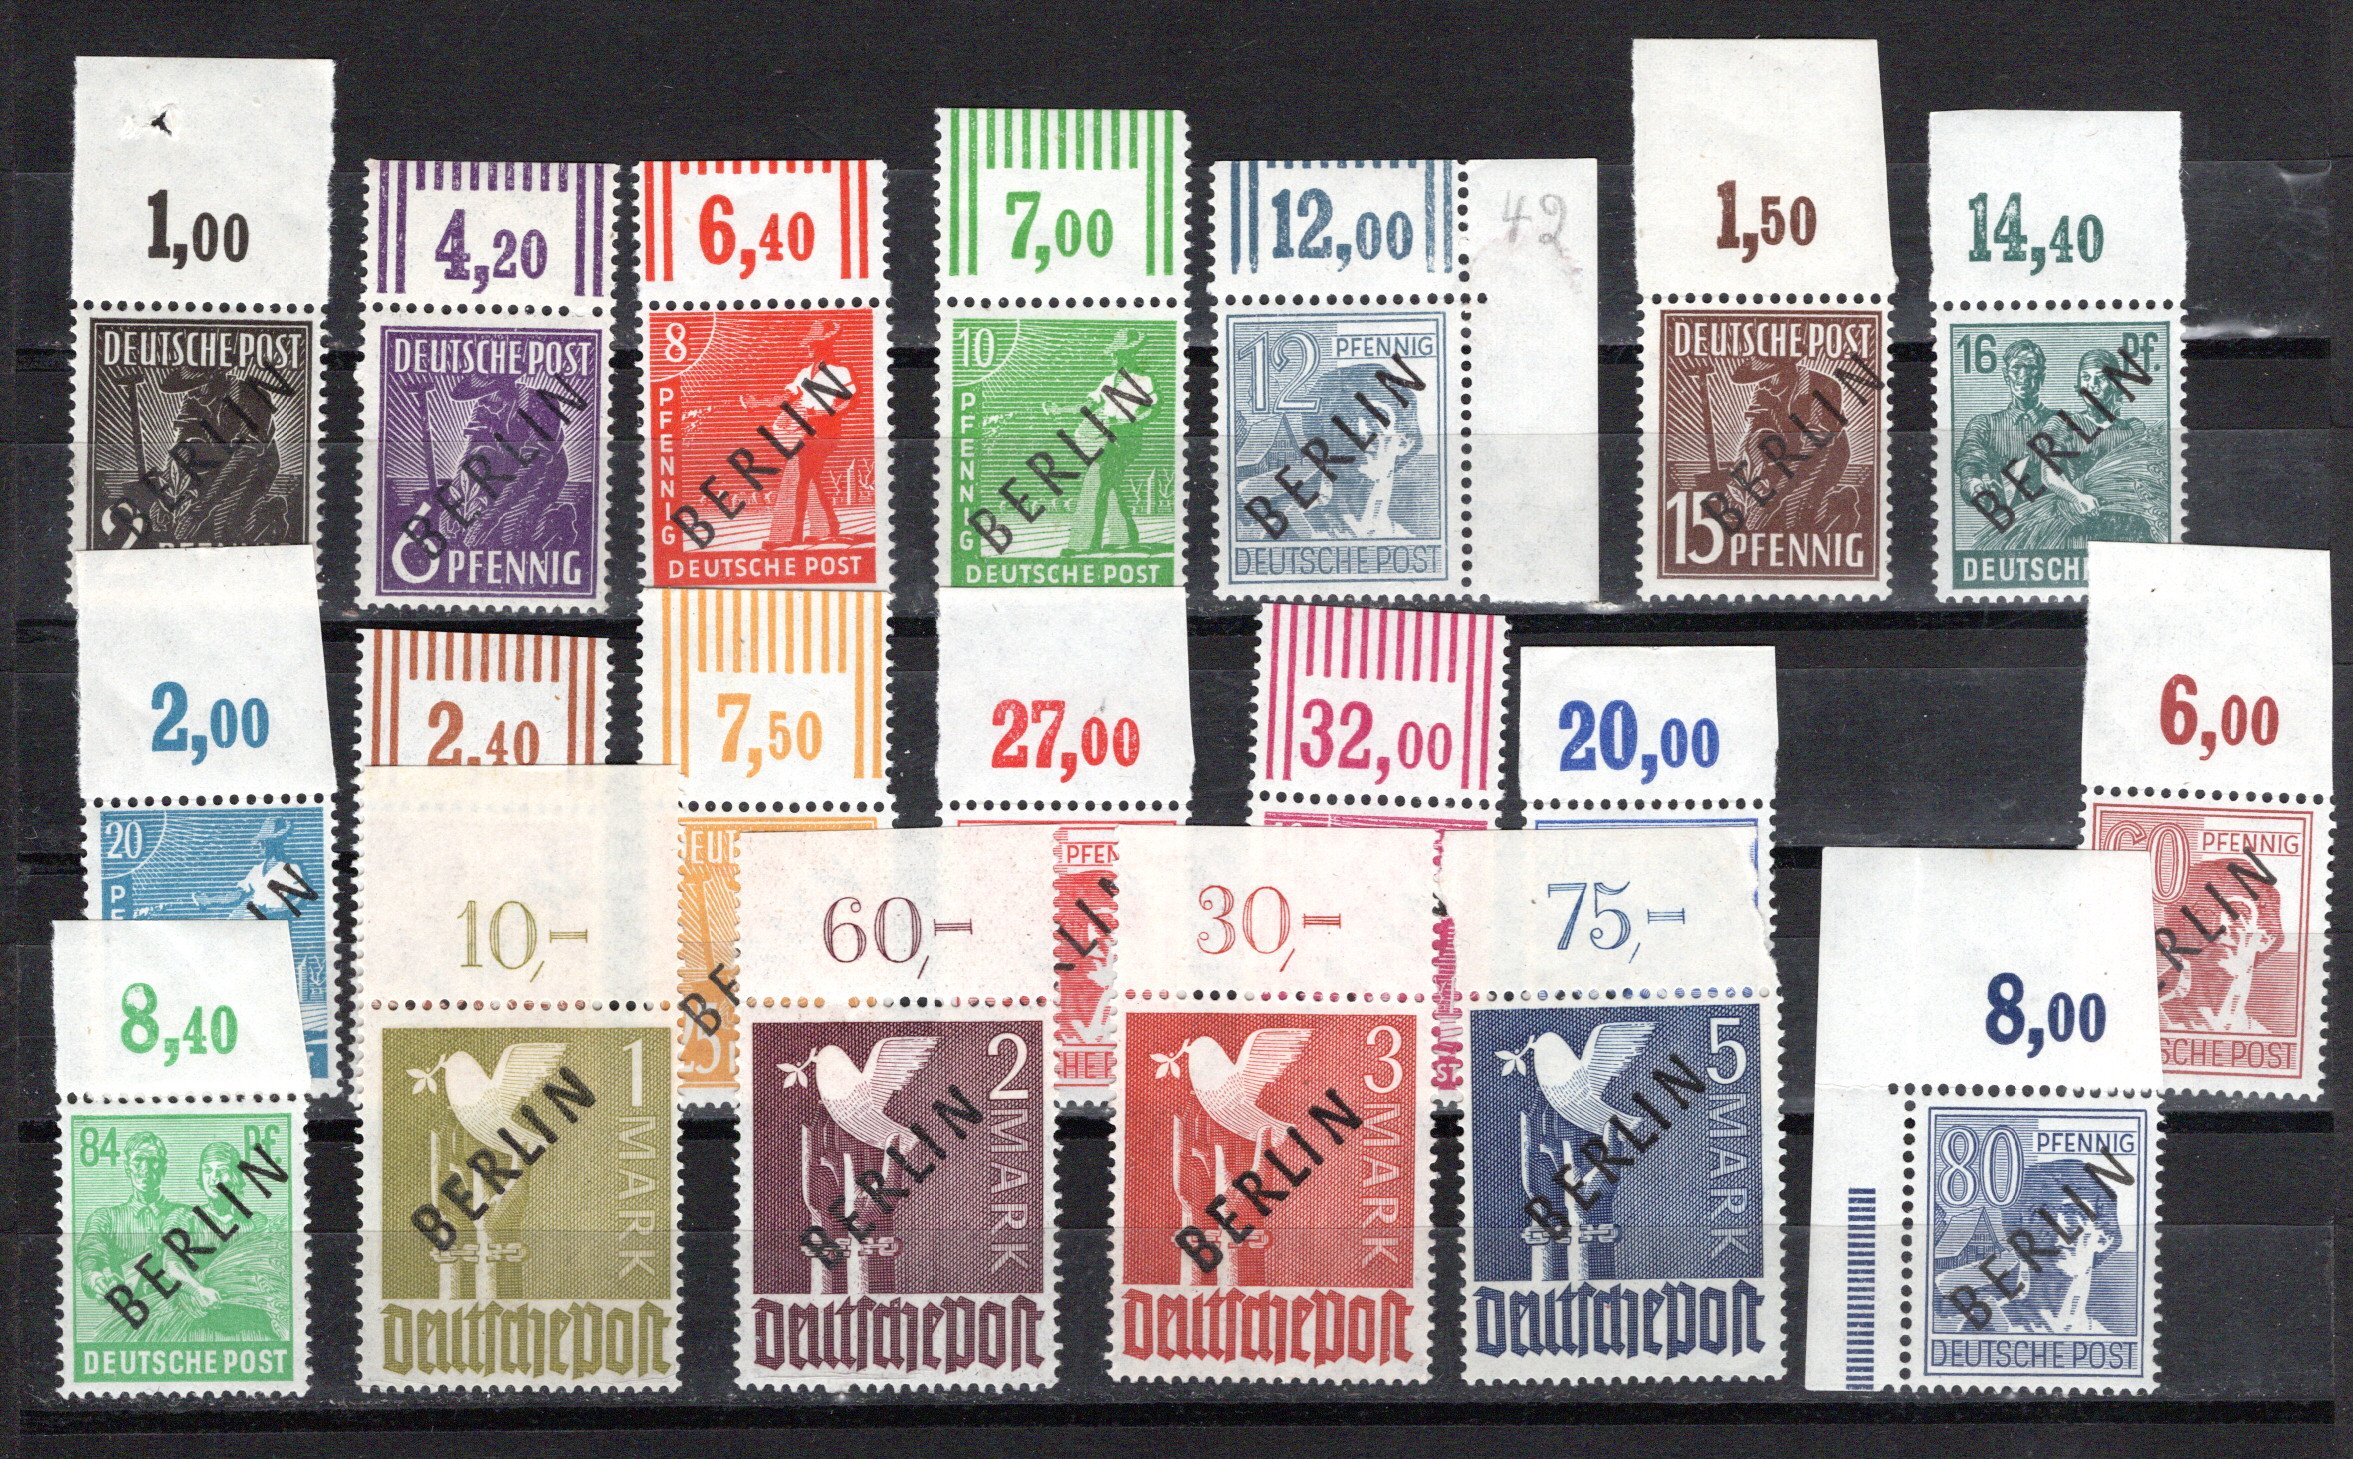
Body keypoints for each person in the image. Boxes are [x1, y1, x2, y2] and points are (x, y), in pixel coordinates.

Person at [1234, 358, 1431, 541]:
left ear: (1405, 442)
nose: (1358, 432)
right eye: (1345, 422)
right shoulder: (1290, 531)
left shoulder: (1409, 540)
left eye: (1376, 416)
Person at [1955, 338, 2064, 525]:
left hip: (2056, 525)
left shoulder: (2063, 422)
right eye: (2016, 368)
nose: (2024, 376)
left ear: (2042, 376)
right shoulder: (1985, 425)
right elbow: (1970, 461)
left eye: (2031, 368)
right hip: (2005, 527)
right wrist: (1975, 486)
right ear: (2006, 375)